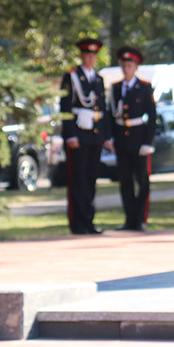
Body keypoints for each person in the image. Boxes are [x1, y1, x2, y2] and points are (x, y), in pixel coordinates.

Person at [60, 37, 112, 235]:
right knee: (78, 179)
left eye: (93, 55)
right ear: (81, 56)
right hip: (79, 136)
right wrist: (70, 135)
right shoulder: (71, 77)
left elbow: (103, 109)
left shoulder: (97, 79)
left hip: (95, 136)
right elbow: (65, 108)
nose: (90, 59)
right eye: (87, 55)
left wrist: (106, 136)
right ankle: (77, 223)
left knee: (91, 179)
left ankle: (89, 221)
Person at [109, 46, 157, 231]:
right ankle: (129, 219)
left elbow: (152, 117)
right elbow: (111, 115)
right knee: (125, 181)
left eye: (130, 66)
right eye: (124, 65)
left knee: (142, 181)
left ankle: (140, 218)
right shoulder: (115, 88)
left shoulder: (144, 87)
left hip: (139, 138)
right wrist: (110, 138)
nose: (126, 69)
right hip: (122, 139)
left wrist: (147, 142)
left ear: (136, 67)